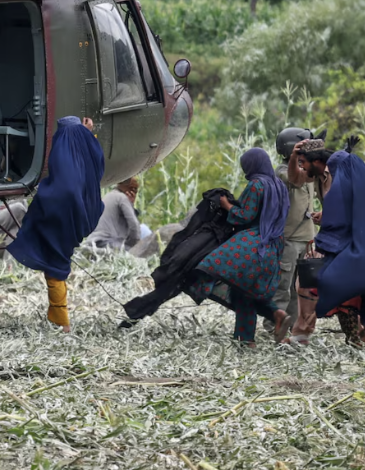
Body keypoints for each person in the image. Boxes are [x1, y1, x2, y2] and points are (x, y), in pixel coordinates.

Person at [290, 141, 365, 351]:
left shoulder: (345, 177)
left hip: (352, 250)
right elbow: (343, 212)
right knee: (328, 292)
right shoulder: (329, 177)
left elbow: (347, 218)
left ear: (317, 161)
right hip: (346, 249)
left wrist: (322, 245)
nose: (301, 166)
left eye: (303, 162)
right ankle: (302, 335)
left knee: (323, 289)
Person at [178, 147, 289, 345]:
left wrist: (226, 204)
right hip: (274, 245)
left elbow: (245, 215)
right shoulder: (279, 185)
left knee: (208, 266)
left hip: (253, 242)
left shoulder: (256, 184)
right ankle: (260, 327)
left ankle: (200, 290)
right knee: (245, 291)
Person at [7, 116, 103, 332]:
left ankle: (62, 322)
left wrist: (41, 194)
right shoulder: (84, 158)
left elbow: (61, 191)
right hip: (81, 219)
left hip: (60, 220)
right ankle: (58, 317)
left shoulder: (63, 159)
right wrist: (87, 132)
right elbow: (94, 156)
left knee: (55, 269)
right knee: (57, 266)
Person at [119, 187, 237, 325]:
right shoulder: (206, 233)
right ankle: (136, 312)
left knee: (172, 285)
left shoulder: (211, 234)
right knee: (171, 285)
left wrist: (226, 205)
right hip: (188, 268)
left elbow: (244, 216)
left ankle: (135, 312)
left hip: (194, 268)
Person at [273, 126, 319, 340]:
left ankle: (292, 328)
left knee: (299, 290)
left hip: (306, 239)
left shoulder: (308, 169)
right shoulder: (283, 172)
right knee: (283, 288)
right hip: (289, 240)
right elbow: (296, 180)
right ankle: (275, 327)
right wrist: (296, 158)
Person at [86, 177, 145, 250]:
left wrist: (130, 204)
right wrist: (133, 245)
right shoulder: (121, 198)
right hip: (108, 242)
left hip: (93, 241)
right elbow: (134, 226)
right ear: (132, 190)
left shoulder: (107, 196)